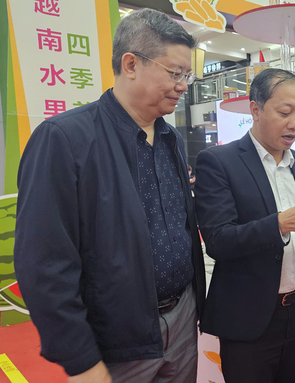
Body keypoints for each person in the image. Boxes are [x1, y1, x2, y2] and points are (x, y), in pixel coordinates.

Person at [14, 9, 205, 383]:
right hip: (116, 338)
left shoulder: (171, 139)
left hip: (182, 319)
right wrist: (80, 359)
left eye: (188, 75)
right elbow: (44, 263)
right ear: (131, 64)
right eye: (174, 73)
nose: (184, 85)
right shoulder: (64, 139)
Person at [194, 68, 295, 383]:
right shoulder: (219, 162)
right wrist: (280, 224)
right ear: (256, 110)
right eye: (284, 112)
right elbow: (218, 240)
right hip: (249, 316)